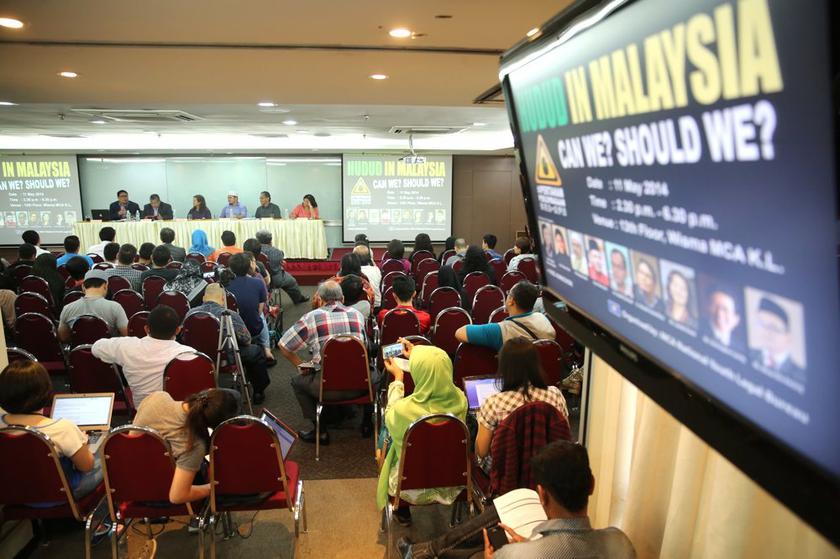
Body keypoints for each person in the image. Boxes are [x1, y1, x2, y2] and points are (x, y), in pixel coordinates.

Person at [398, 441, 636, 559]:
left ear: (542, 495)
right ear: (592, 485)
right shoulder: (621, 544)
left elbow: (481, 450)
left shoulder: (514, 555)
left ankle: (425, 552)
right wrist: (531, 545)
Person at [377, 340, 468, 525]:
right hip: (452, 484)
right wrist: (416, 353)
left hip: (407, 489)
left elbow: (389, 415)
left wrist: (398, 379)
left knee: (386, 435)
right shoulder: (461, 399)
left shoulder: (404, 411)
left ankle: (402, 511)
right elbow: (435, 365)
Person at [279, 280, 370, 443]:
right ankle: (367, 424)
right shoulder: (358, 315)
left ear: (320, 300)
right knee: (375, 375)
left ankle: (320, 431)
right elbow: (365, 347)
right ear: (342, 298)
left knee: (297, 382)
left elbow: (283, 345)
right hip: (361, 386)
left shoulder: (311, 318)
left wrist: (300, 364)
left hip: (325, 388)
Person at [0, 360, 104, 501]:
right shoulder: (62, 428)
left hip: (11, 495)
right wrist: (83, 443)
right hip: (59, 496)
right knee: (105, 457)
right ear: (45, 391)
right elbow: (86, 466)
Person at [132, 389, 239, 504]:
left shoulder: (158, 397)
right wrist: (213, 488)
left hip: (131, 480)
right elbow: (177, 497)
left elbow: (132, 438)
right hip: (161, 493)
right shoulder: (194, 444)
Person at [474, 338, 568, 462]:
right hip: (547, 467)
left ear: (504, 367)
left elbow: (482, 451)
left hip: (508, 469)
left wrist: (479, 419)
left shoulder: (493, 403)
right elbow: (565, 438)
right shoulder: (555, 395)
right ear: (536, 363)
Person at [92, 305, 195, 406]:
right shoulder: (189, 354)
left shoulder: (127, 346)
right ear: (178, 330)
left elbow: (96, 348)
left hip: (141, 412)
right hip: (176, 412)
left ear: (146, 329)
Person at [186, 283, 270, 404]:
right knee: (255, 351)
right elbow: (246, 340)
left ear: (204, 298)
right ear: (222, 298)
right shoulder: (229, 314)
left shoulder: (190, 314)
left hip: (199, 358)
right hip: (227, 359)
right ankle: (258, 391)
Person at [455, 281, 554, 351]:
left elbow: (459, 333)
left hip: (513, 373)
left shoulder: (500, 330)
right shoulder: (543, 319)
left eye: (509, 293)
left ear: (511, 301)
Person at [58, 269, 129, 341]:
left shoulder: (67, 308)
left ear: (83, 287)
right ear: (105, 286)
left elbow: (63, 337)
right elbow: (126, 334)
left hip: (79, 348)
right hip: (106, 348)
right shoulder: (115, 307)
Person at [226, 253, 272, 359]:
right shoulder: (258, 283)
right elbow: (259, 311)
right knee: (260, 315)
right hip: (253, 330)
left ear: (231, 268)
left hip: (230, 332)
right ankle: (267, 349)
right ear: (249, 267)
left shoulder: (224, 284)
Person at [749, 297, 804, 381]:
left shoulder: (801, 376)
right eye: (762, 324)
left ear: (788, 336)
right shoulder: (750, 354)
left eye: (773, 327)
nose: (766, 332)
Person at [255, 230, 308, 304]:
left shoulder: (253, 249)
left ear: (257, 240)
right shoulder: (276, 251)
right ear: (270, 240)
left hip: (257, 278)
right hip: (274, 279)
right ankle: (298, 299)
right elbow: (278, 263)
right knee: (292, 281)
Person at [701, 286, 744, 352]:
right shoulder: (696, 328)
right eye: (715, 306)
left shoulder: (741, 349)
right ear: (707, 307)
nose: (719, 314)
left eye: (725, 309)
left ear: (736, 319)